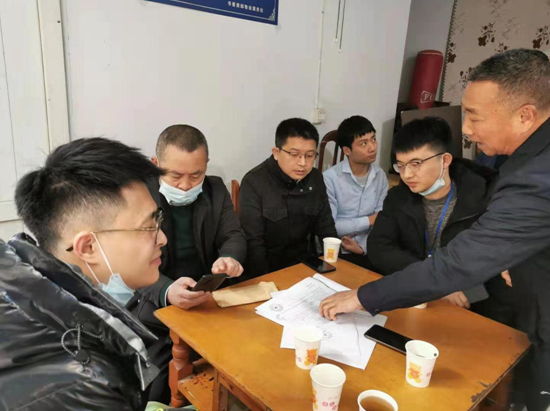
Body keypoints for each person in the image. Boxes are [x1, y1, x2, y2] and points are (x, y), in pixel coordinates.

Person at [319, 49, 550, 410]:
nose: (467, 131)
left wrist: (362, 297)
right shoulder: (403, 196)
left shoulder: (525, 179)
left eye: (474, 116)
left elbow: (463, 262)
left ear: (525, 116)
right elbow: (382, 247)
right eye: (401, 166)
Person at [1, 137, 181, 410]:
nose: (162, 238)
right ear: (88, 247)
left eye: (159, 220)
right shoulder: (89, 384)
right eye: (148, 227)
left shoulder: (20, 280)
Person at [367, 116, 513, 325]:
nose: (407, 175)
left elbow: (495, 261)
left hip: (473, 309)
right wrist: (434, 282)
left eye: (416, 164)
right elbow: (378, 247)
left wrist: (451, 285)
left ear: (445, 160)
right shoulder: (398, 198)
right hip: (414, 298)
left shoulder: (486, 197)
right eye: (401, 165)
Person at [144, 125, 246, 314]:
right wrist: (166, 290)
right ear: (155, 164)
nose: (185, 185)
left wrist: (229, 258)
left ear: (206, 164)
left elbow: (233, 235)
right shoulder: (137, 194)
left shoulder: (215, 189)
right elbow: (128, 262)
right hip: (157, 295)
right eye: (175, 175)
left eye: (195, 175)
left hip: (207, 291)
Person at [239, 118, 337, 278]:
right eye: (294, 154)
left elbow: (326, 227)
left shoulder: (315, 178)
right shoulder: (254, 182)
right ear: (276, 152)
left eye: (310, 155)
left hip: (305, 265)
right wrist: (266, 281)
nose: (303, 163)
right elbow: (254, 243)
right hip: (267, 269)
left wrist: (334, 266)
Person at [323, 115, 388, 268]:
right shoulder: (330, 178)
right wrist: (370, 220)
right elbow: (331, 227)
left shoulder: (380, 175)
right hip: (336, 250)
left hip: (370, 248)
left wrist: (362, 248)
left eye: (373, 139)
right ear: (347, 150)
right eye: (363, 143)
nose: (372, 147)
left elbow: (383, 222)